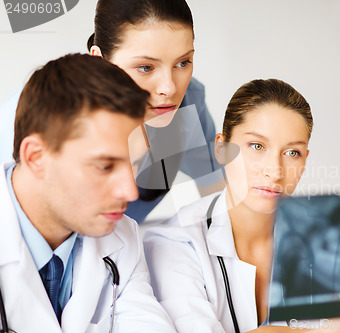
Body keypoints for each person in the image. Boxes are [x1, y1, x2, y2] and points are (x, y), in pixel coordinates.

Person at [144, 79, 340, 333]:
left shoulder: (336, 238)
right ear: (221, 149)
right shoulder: (174, 242)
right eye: (257, 146)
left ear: (305, 159)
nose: (275, 171)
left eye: (292, 152)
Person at [0, 0, 223, 223]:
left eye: (183, 63)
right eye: (145, 67)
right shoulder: (33, 114)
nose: (169, 88)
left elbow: (220, 207)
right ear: (100, 60)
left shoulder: (187, 104)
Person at [0, 53, 174, 332]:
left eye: (136, 164)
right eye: (105, 166)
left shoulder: (122, 237)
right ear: (35, 157)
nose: (130, 192)